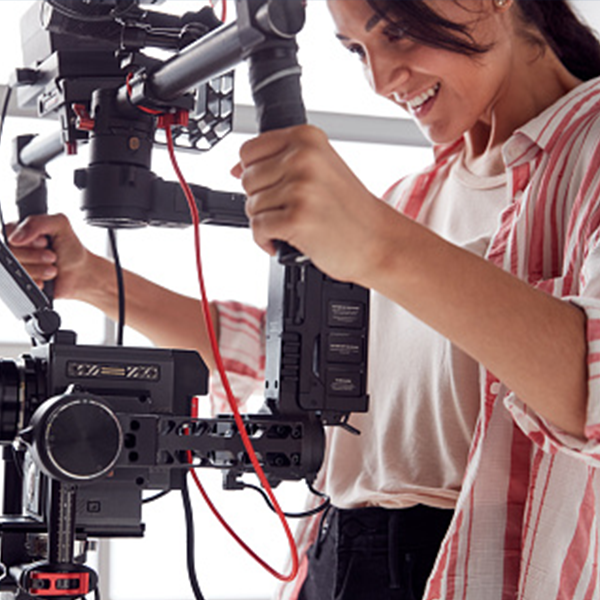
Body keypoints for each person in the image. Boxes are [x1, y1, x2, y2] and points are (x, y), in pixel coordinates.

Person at [8, 0, 600, 598]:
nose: (380, 79)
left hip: (466, 564)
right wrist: (90, 278)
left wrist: (378, 244)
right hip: (337, 554)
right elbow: (279, 359)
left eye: (396, 33)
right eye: (356, 50)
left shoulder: (588, 153)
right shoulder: (411, 198)